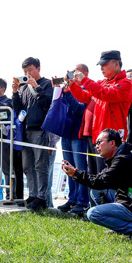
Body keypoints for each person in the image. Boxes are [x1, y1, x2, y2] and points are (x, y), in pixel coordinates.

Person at [62, 129, 132, 241]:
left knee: (93, 213)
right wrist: (76, 173)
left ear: (112, 143)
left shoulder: (123, 160)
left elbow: (100, 181)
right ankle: (118, 226)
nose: (96, 146)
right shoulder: (119, 157)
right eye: (95, 143)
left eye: (99, 142)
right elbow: (100, 180)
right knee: (96, 192)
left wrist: (75, 174)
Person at [70, 50, 132, 174]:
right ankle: (96, 194)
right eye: (101, 65)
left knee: (106, 175)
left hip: (110, 138)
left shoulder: (125, 83)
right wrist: (72, 86)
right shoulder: (101, 83)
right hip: (96, 136)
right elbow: (84, 97)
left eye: (105, 64)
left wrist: (85, 81)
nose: (101, 68)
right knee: (94, 173)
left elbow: (106, 94)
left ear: (116, 64)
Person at [12, 57, 53, 210]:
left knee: (40, 164)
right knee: (27, 166)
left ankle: (42, 198)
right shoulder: (22, 88)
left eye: (30, 70)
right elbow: (17, 109)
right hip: (25, 131)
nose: (27, 74)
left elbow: (47, 104)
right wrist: (15, 92)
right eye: (25, 71)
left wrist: (36, 87)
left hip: (39, 129)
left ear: (38, 68)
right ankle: (33, 194)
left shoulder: (47, 84)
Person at [58, 66, 90, 214]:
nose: (73, 74)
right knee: (68, 168)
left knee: (80, 168)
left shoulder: (87, 89)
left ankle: (82, 201)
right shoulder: (67, 88)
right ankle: (72, 199)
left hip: (79, 135)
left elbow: (79, 109)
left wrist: (68, 92)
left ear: (85, 74)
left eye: (76, 72)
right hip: (66, 134)